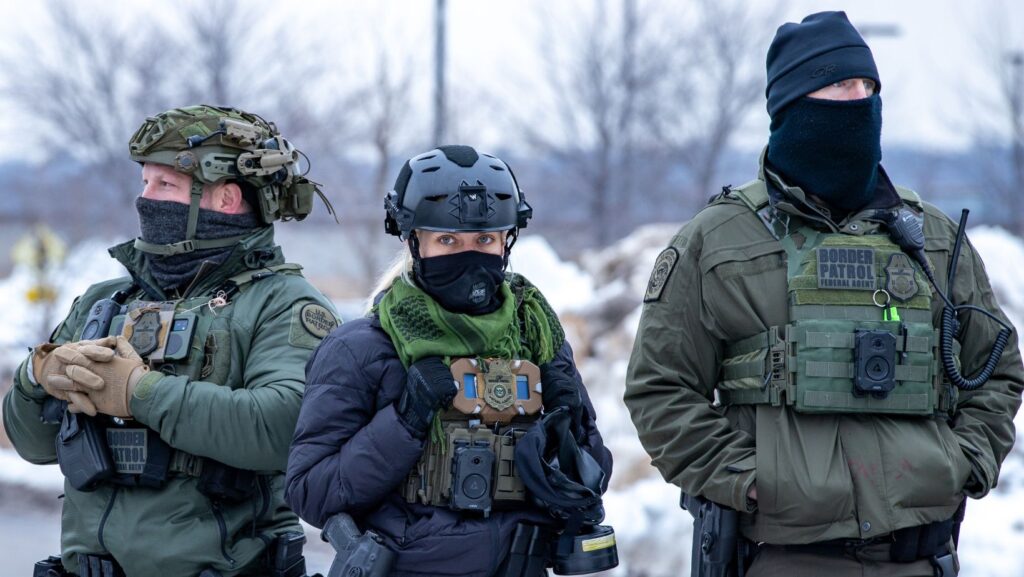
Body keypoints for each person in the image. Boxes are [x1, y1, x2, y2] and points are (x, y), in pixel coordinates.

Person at [625, 11, 1024, 577]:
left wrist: (963, 463)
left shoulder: (934, 240)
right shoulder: (717, 242)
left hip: (919, 554)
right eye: (840, 85)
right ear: (794, 107)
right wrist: (748, 481)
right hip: (786, 556)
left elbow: (997, 369)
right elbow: (660, 389)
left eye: (869, 87)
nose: (859, 101)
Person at [3, 105, 340, 577]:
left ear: (225, 198)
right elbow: (33, 444)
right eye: (144, 183)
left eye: (165, 185)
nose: (146, 199)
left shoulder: (283, 304)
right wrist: (36, 377)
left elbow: (282, 429)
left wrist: (140, 392)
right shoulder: (107, 300)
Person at [286, 145, 614, 577]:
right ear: (413, 242)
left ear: (505, 241)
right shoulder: (361, 349)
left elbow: (588, 483)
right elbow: (311, 492)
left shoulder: (539, 339)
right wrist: (405, 421)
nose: (469, 255)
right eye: (446, 240)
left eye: (484, 240)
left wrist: (569, 425)